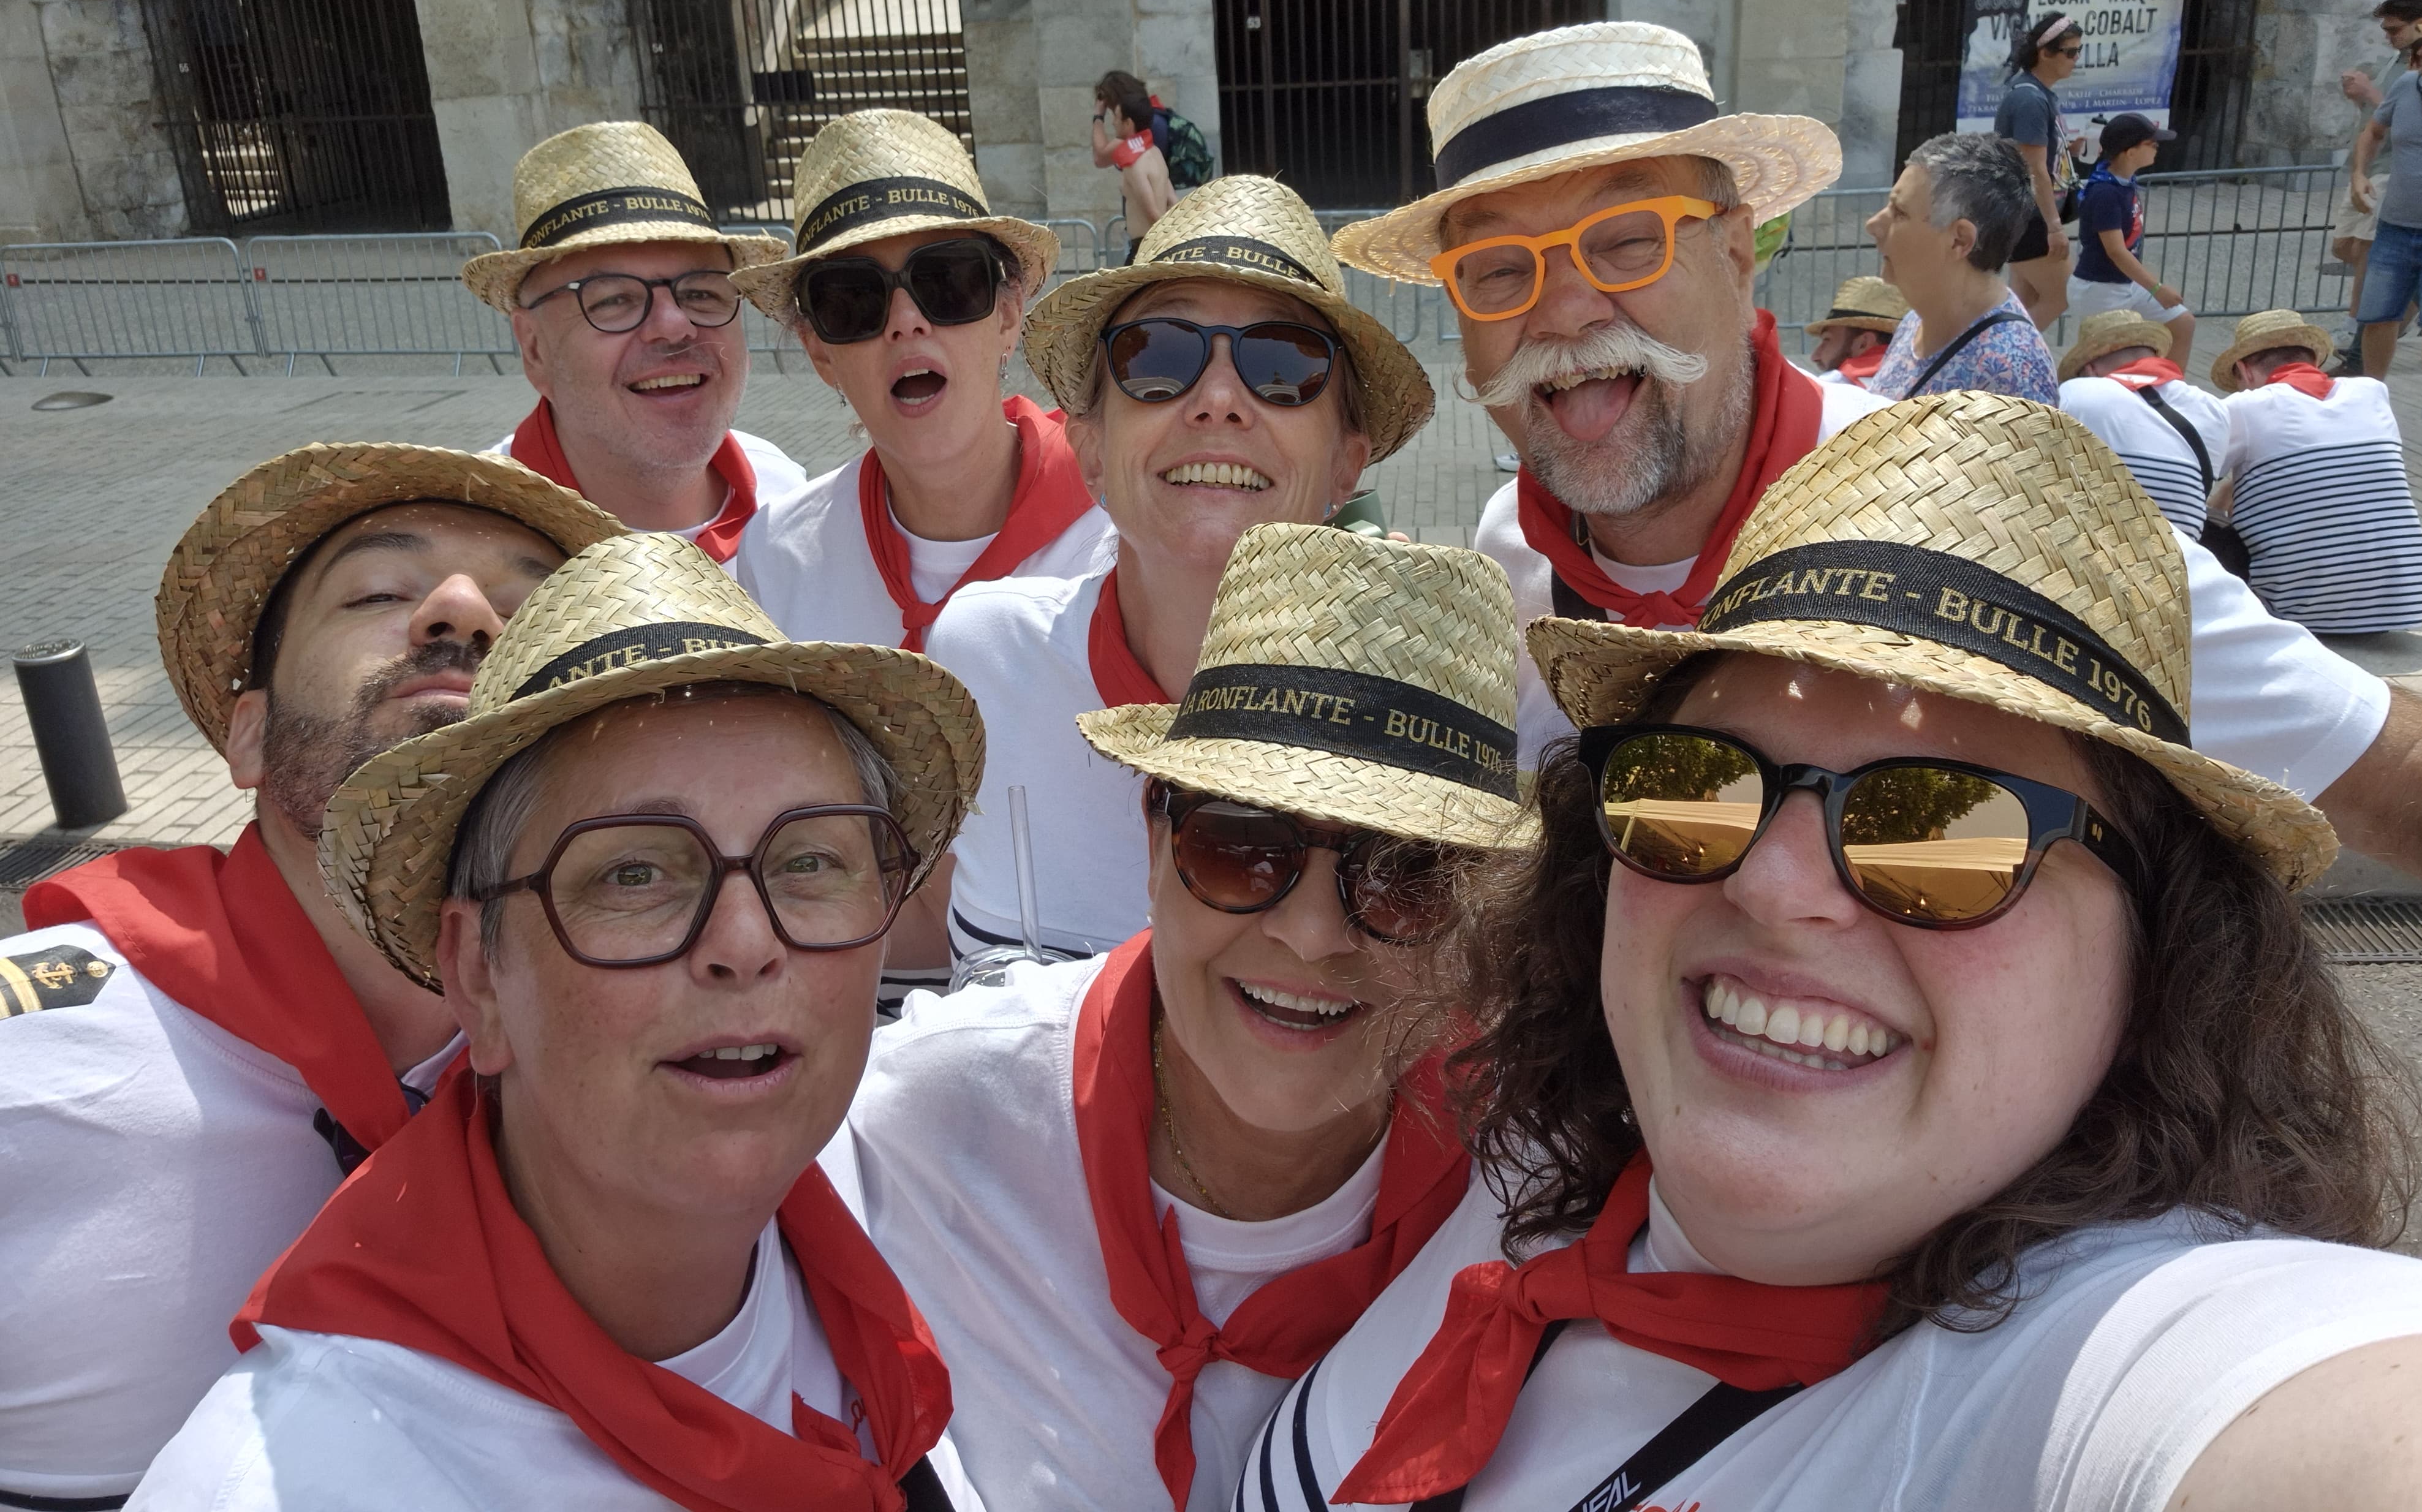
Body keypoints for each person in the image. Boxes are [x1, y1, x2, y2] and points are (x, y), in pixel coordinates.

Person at [1242, 392, 2422, 1512]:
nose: (1773, 886)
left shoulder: (2100, 1366)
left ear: (2161, 951)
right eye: (1695, 787)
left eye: (1941, 828)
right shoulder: (1533, 1146)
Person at [1328, 17, 2422, 901]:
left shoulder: (1982, 511)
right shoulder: (1515, 555)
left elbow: (2413, 775)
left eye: (1628, 241)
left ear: (1736, 255)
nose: (1565, 308)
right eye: (1496, 272)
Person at [132, 531, 985, 1510]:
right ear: (479, 976)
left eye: (809, 862)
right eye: (634, 872)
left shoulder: (921, 1232)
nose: (746, 942)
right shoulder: (298, 1481)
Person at [849, 523, 1519, 1512]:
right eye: (1241, 846)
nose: (1311, 935)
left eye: (1406, 873)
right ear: (1156, 841)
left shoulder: (1534, 1184)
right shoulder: (911, 1123)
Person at [0, 444, 618, 1506]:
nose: (465, 613)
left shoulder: (641, 1063)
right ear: (249, 737)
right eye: (379, 593)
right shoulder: (33, 1047)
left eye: (530, 612)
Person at [925, 176, 1432, 961]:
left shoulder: (1426, 718)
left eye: (1284, 363)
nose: (1218, 398)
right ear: (1090, 449)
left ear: (1346, 464)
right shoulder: (982, 660)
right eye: (1158, 356)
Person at [730, 111, 1113, 651]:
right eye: (853, 298)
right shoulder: (777, 558)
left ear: (1008, 316)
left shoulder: (1123, 529)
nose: (906, 321)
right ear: (818, 351)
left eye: (946, 281)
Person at [463, 121, 805, 556]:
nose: (674, 325)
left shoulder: (787, 501)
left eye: (701, 293)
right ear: (534, 349)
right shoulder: (468, 548)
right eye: (613, 300)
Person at [2209, 309, 2422, 635]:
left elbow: (2193, 483)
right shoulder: (2371, 393)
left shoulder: (2243, 407)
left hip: (2296, 608)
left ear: (2245, 372)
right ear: (2314, 361)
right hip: (2406, 602)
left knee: (2203, 526)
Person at [1864, 132, 2061, 404]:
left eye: (1900, 213)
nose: (1873, 225)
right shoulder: (1919, 319)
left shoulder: (2010, 377)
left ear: (1960, 240)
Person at [2348, 19, 2422, 415]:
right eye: (2421, 45)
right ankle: (2372, 400)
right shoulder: (2407, 86)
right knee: (2377, 318)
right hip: (2394, 228)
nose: (2421, 53)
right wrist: (2359, 175)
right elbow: (2373, 132)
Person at [2056, 308, 2228, 539]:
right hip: (2180, 554)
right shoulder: (2215, 409)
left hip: (2104, 547)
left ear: (2089, 369)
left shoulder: (2077, 392)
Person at [2331, 0, 2422, 370]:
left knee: (2373, 254)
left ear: (2420, 24)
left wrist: (2370, 93)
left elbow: (2413, 117)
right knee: (2346, 247)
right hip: (2372, 167)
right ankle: (2416, 299)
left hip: (2397, 170)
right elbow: (2379, 122)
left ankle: (2359, 333)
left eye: (2394, 29)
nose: (2388, 36)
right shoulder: (2398, 60)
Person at [2069, 113, 2193, 370]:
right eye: (2151, 143)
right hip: (2099, 289)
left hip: (2125, 283)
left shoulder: (2124, 183)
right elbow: (2116, 251)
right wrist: (2157, 288)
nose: (2157, 147)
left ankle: (2170, 387)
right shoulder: (2105, 192)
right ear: (2130, 152)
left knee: (2183, 323)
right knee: (2107, 362)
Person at [1994, 12, 2086, 327]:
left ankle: (2008, 353)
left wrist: (2069, 149)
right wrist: (2055, 227)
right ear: (2045, 53)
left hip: (2023, 214)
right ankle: (2009, 351)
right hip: (2030, 217)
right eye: (2070, 52)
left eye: (2078, 51)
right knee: (2062, 295)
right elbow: (2034, 169)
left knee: (2023, 305)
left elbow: (2039, 157)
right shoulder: (2030, 99)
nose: (2076, 59)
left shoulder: (2034, 92)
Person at [1092, 72, 1181, 259]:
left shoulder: (1133, 162)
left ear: (1128, 123)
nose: (1113, 123)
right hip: (1157, 243)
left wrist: (1167, 244)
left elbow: (1152, 212)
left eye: (1116, 117)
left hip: (1145, 246)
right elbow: (1173, 201)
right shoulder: (1155, 152)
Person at [1800, 276, 1902, 385]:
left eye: (1827, 340)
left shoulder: (1834, 384)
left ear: (1864, 343)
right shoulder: (1910, 378)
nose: (1815, 356)